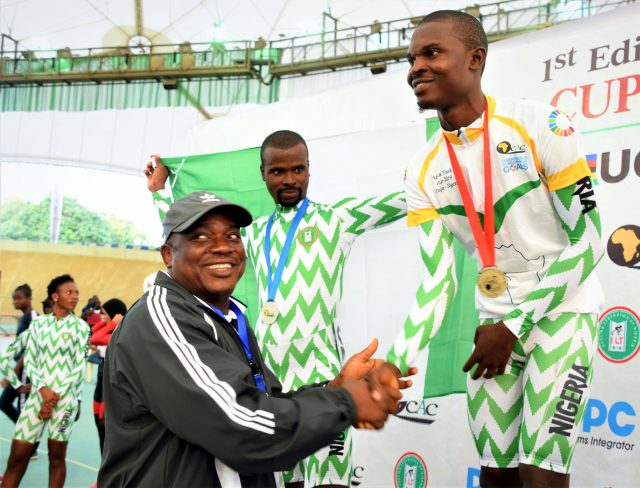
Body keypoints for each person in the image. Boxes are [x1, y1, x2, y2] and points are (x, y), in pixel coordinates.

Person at [386, 10, 604, 488]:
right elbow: (438, 281)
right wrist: (395, 361)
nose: (415, 68)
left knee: (540, 473)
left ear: (475, 59)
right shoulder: (420, 169)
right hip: (494, 325)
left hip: (562, 314)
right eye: (412, 58)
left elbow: (589, 241)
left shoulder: (542, 124)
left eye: (431, 53)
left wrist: (515, 324)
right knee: (495, 475)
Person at [98, 191, 414, 487]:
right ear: (168, 254)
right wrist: (347, 402)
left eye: (232, 236)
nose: (222, 247)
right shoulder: (158, 318)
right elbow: (240, 427)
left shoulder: (230, 318)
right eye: (201, 237)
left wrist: (335, 387)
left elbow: (265, 404)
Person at [1, 274, 90, 488]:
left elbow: (79, 366)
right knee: (16, 458)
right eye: (69, 292)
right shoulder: (38, 324)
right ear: (55, 297)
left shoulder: (81, 328)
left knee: (56, 458)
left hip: (65, 401)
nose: (75, 296)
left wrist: (53, 398)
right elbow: (30, 359)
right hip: (37, 397)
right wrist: (37, 389)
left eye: (77, 292)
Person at [89, 298, 127, 453]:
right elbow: (92, 332)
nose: (101, 317)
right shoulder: (109, 329)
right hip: (100, 389)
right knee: (99, 430)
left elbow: (95, 339)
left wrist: (112, 323)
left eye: (104, 313)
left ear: (115, 315)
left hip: (109, 391)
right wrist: (108, 321)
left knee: (106, 433)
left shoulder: (120, 334)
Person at [0, 284, 38, 424]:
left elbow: (31, 348)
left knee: (23, 408)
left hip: (26, 370)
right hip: (20, 368)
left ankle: (26, 433)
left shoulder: (33, 317)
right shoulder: (25, 317)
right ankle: (23, 431)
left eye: (19, 298)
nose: (15, 302)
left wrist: (13, 373)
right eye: (14, 299)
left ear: (29, 298)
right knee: (4, 402)